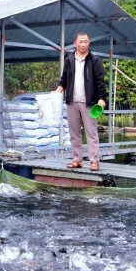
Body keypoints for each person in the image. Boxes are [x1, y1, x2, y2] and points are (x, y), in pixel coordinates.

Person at [56, 32, 108, 171]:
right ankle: (77, 159)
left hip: (89, 103)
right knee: (74, 133)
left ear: (89, 43)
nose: (83, 44)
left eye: (86, 41)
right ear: (75, 43)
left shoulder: (95, 60)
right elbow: (64, 79)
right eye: (81, 41)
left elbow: (100, 82)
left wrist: (102, 99)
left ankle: (94, 161)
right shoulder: (69, 59)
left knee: (91, 133)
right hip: (72, 101)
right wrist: (56, 92)